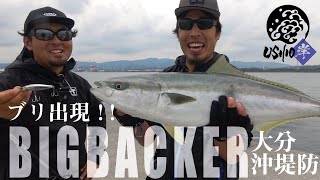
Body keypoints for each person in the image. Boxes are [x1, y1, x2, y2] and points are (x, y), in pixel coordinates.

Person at [114, 0, 253, 179]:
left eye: (204, 23)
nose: (194, 33)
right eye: (185, 24)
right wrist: (129, 119)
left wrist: (222, 135)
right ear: (178, 32)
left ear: (217, 32)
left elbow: (233, 156)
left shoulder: (237, 84)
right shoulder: (163, 80)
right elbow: (146, 139)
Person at [0, 6, 106, 179]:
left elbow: (98, 115)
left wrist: (95, 155)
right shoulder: (8, 83)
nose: (57, 41)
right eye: (44, 34)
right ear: (28, 42)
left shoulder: (80, 85)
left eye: (64, 34)